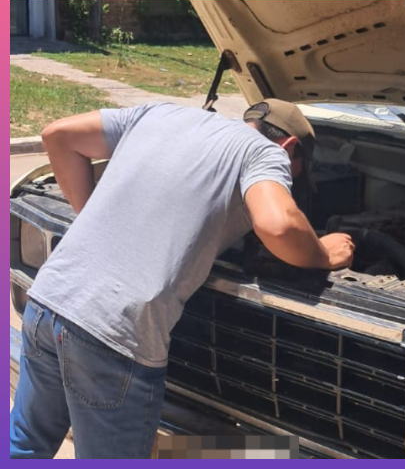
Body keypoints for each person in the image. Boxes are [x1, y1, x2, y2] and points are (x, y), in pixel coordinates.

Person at [10, 99, 355, 459]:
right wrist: (323, 253)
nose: (289, 182)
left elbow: (57, 135)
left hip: (49, 298)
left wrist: (96, 222)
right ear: (290, 147)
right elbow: (279, 225)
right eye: (294, 176)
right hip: (114, 332)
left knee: (24, 443)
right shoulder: (265, 153)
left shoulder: (159, 113)